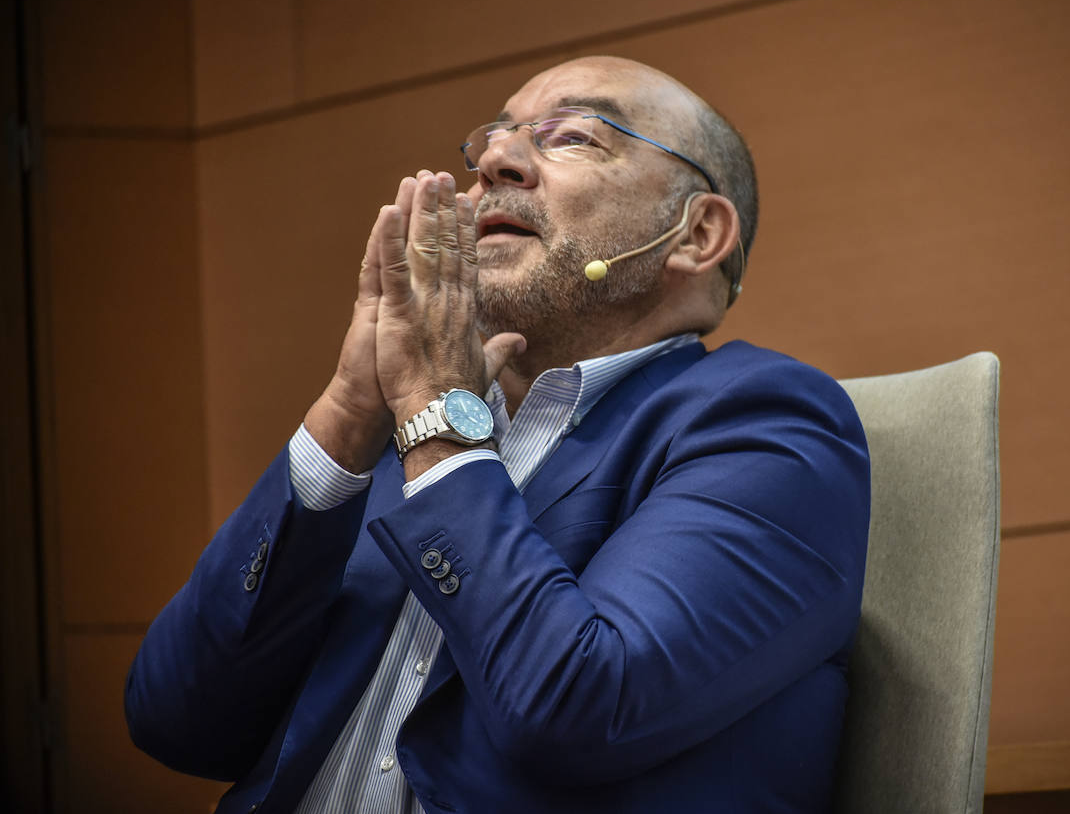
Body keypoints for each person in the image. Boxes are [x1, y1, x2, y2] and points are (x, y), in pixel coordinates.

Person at [126, 56, 870, 813]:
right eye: (492, 140)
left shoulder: (766, 422)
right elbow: (174, 721)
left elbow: (580, 706)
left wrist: (438, 419)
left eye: (574, 136)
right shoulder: (399, 438)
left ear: (696, 232)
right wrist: (349, 413)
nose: (492, 161)